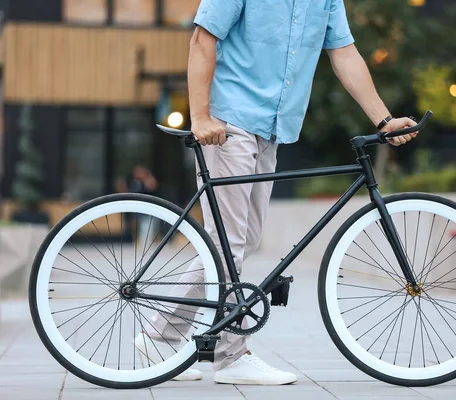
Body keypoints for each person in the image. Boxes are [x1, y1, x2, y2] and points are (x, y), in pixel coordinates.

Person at [136, 0, 418, 385]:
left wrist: (383, 120)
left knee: (242, 240)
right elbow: (203, 39)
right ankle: (229, 355)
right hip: (228, 122)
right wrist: (200, 116)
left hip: (272, 127)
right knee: (230, 242)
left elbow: (344, 52)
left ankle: (160, 337)